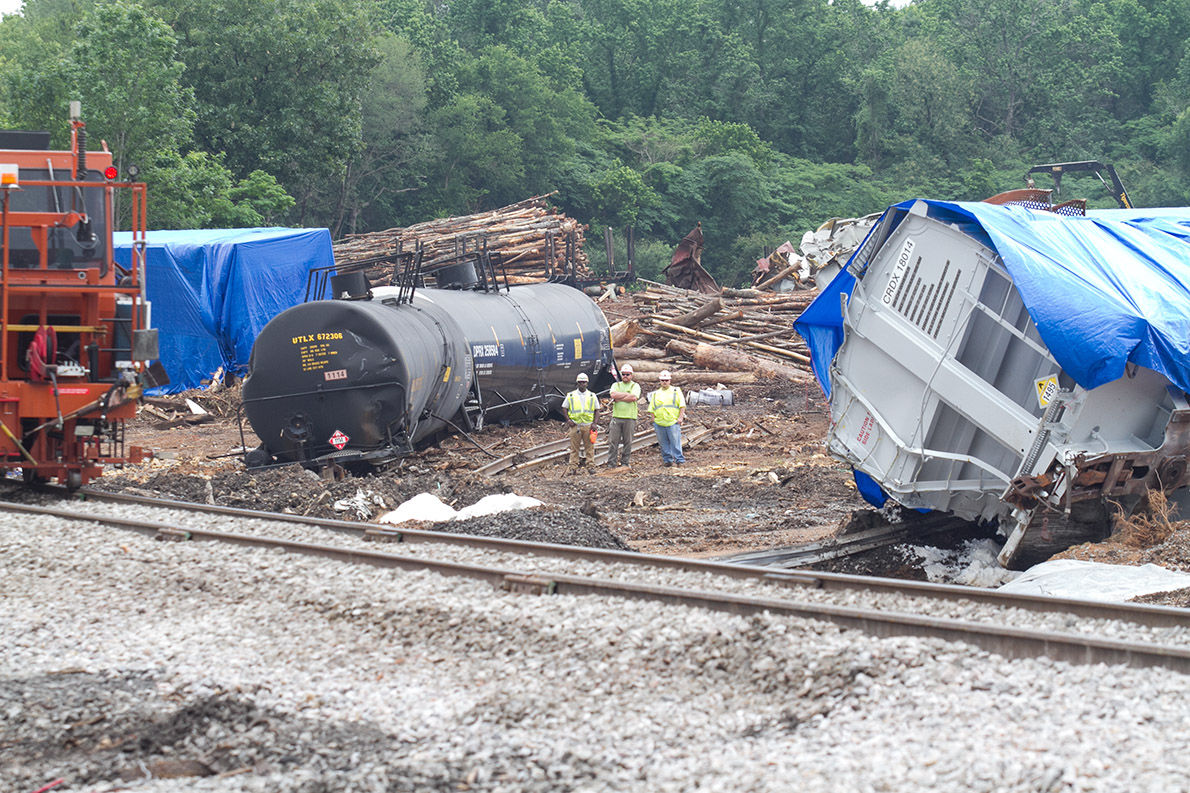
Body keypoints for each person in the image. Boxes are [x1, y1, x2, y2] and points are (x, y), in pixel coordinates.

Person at [605, 364, 642, 468]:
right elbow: (613, 395)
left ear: (631, 375)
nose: (625, 376)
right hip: (617, 417)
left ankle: (625, 462)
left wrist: (619, 397)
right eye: (624, 374)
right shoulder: (616, 385)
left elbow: (634, 397)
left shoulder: (635, 386)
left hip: (630, 417)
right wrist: (627, 395)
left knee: (628, 442)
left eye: (627, 374)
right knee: (613, 441)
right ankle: (611, 463)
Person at [647, 370, 686, 466]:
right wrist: (653, 419)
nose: (664, 382)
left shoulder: (676, 391)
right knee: (663, 443)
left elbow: (682, 405)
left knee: (675, 442)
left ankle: (679, 460)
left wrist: (680, 418)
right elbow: (651, 408)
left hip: (672, 421)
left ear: (670, 380)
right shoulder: (656, 393)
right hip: (659, 422)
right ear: (660, 381)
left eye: (666, 380)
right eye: (663, 380)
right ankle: (667, 461)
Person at [563, 372, 599, 473]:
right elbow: (564, 407)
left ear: (587, 383)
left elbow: (597, 410)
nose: (582, 384)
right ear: (577, 383)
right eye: (580, 382)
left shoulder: (592, 396)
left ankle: (590, 466)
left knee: (589, 448)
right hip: (575, 425)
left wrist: (594, 423)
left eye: (584, 382)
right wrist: (568, 420)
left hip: (588, 425)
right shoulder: (571, 395)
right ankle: (573, 467)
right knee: (574, 448)